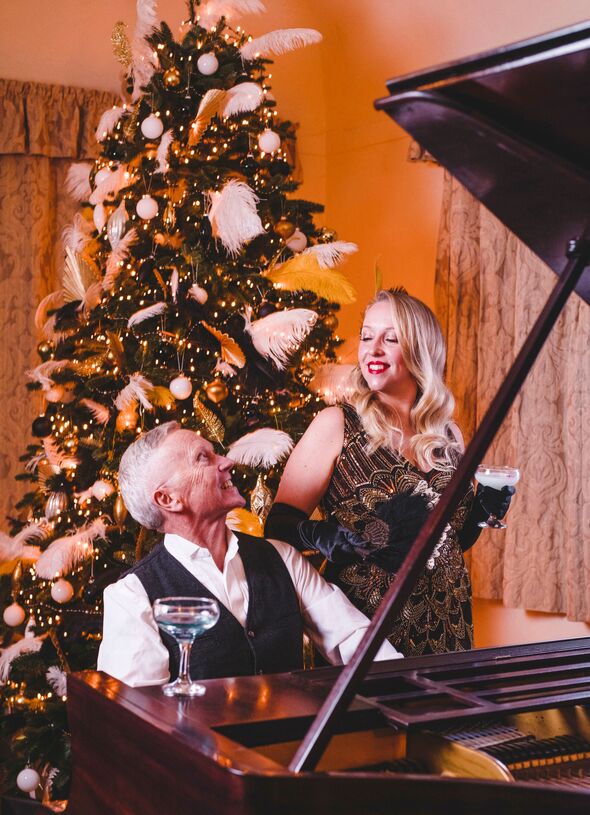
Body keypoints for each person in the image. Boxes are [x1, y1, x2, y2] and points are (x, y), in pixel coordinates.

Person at [265, 288, 514, 657]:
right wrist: (318, 534)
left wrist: (480, 515)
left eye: (390, 338)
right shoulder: (337, 424)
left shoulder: (447, 434)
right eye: (366, 336)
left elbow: (447, 543)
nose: (372, 349)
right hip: (370, 637)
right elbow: (277, 525)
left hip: (449, 628)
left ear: (420, 352)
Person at [97, 421, 402, 687]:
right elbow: (137, 720)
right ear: (168, 499)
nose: (227, 460)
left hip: (293, 751)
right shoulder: (132, 596)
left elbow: (354, 641)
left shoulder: (281, 557)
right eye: (203, 458)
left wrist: (416, 689)